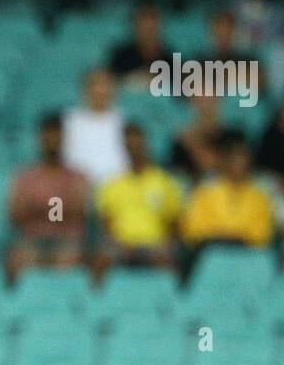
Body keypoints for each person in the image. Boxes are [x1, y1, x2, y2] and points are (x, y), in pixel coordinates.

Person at [4, 112, 90, 282]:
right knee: (17, 259)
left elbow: (78, 210)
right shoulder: (25, 176)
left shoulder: (78, 175)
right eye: (48, 134)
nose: (53, 140)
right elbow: (15, 214)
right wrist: (59, 205)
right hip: (32, 238)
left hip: (67, 239)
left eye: (57, 135)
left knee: (67, 261)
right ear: (40, 138)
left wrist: (37, 207)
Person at [93, 124, 183, 277]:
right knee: (102, 258)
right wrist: (120, 242)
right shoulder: (112, 183)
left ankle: (170, 299)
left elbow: (174, 222)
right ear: (123, 146)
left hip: (155, 243)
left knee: (167, 260)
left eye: (137, 142)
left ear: (145, 143)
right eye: (129, 143)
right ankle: (97, 300)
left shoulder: (164, 181)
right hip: (122, 244)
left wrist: (164, 242)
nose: (133, 147)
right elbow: (105, 222)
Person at [180, 131, 274, 249]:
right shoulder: (205, 192)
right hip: (211, 252)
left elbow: (263, 234)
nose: (238, 164)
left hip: (248, 254)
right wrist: (222, 236)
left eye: (242, 159)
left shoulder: (260, 197)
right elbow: (193, 231)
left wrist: (236, 238)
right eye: (233, 159)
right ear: (224, 162)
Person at [63, 68, 128, 185]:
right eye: (95, 85)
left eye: (105, 84)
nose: (100, 90)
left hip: (119, 191)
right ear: (84, 89)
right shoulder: (69, 121)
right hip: (78, 191)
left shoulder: (125, 121)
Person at [170, 85, 227, 184]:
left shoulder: (231, 136)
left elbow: (212, 165)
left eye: (210, 98)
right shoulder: (180, 140)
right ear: (193, 102)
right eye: (201, 99)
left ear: (219, 99)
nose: (206, 104)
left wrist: (192, 143)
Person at [106, 2, 175, 84]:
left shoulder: (172, 60)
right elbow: (110, 84)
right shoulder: (120, 57)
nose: (148, 30)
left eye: (152, 24)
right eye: (144, 24)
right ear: (134, 26)